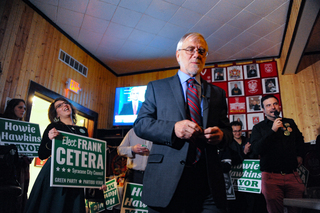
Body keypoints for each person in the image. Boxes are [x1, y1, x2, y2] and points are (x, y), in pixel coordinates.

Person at [133, 32, 232, 213]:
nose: (197, 54)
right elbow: (141, 124)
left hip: (208, 183)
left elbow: (227, 131)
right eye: (191, 49)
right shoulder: (157, 88)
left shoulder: (218, 93)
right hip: (166, 181)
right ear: (178, 55)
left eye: (202, 51)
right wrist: (173, 128)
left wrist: (221, 136)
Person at [24, 97, 88, 213]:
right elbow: (42, 154)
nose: (64, 106)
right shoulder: (53, 128)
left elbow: (87, 156)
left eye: (66, 103)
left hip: (75, 174)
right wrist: (49, 139)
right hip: (55, 172)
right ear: (56, 114)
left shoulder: (83, 130)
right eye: (59, 106)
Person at [250, 94, 305, 213]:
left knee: (297, 208)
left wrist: (300, 155)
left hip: (292, 174)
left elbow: (300, 141)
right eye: (268, 105)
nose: (272, 107)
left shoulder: (289, 122)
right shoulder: (258, 128)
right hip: (271, 177)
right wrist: (273, 130)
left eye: (275, 104)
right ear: (263, 110)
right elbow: (256, 149)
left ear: (279, 106)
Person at [227, 121, 267, 213]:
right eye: (235, 131)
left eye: (239, 130)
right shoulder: (228, 144)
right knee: (238, 203)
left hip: (249, 179)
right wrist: (244, 153)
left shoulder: (248, 141)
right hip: (236, 180)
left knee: (252, 202)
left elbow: (255, 157)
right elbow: (231, 160)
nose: (237, 133)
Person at [1, 98, 31, 213]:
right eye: (20, 107)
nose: (23, 110)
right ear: (12, 107)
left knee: (19, 198)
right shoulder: (2, 123)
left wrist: (29, 156)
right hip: (5, 169)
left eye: (24, 108)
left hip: (21, 169)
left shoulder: (25, 127)